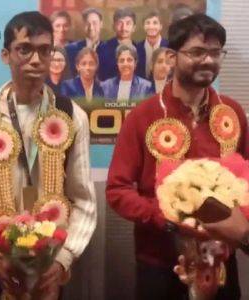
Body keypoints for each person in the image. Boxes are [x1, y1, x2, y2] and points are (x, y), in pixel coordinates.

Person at [0, 11, 96, 300]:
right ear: (6, 55)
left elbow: (83, 197)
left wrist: (63, 258)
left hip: (48, 266)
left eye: (44, 50)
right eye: (24, 49)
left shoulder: (70, 115)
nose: (36, 60)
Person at [106, 14, 245, 300]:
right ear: (172, 56)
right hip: (159, 262)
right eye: (197, 52)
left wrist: (238, 223)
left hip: (222, 261)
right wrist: (167, 218)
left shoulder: (233, 112)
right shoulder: (143, 116)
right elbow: (117, 189)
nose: (208, 60)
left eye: (215, 52)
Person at [65, 8, 107, 80]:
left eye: (94, 23)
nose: (91, 27)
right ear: (83, 25)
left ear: (101, 24)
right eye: (88, 23)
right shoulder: (70, 49)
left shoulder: (109, 49)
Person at [101, 7, 137, 81]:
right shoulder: (103, 48)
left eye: (128, 23)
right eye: (120, 23)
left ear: (134, 27)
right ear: (113, 26)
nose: (124, 28)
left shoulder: (139, 48)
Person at [136, 10, 169, 79]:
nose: (151, 27)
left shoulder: (169, 46)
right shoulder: (137, 48)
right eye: (147, 23)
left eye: (155, 23)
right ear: (143, 26)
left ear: (161, 26)